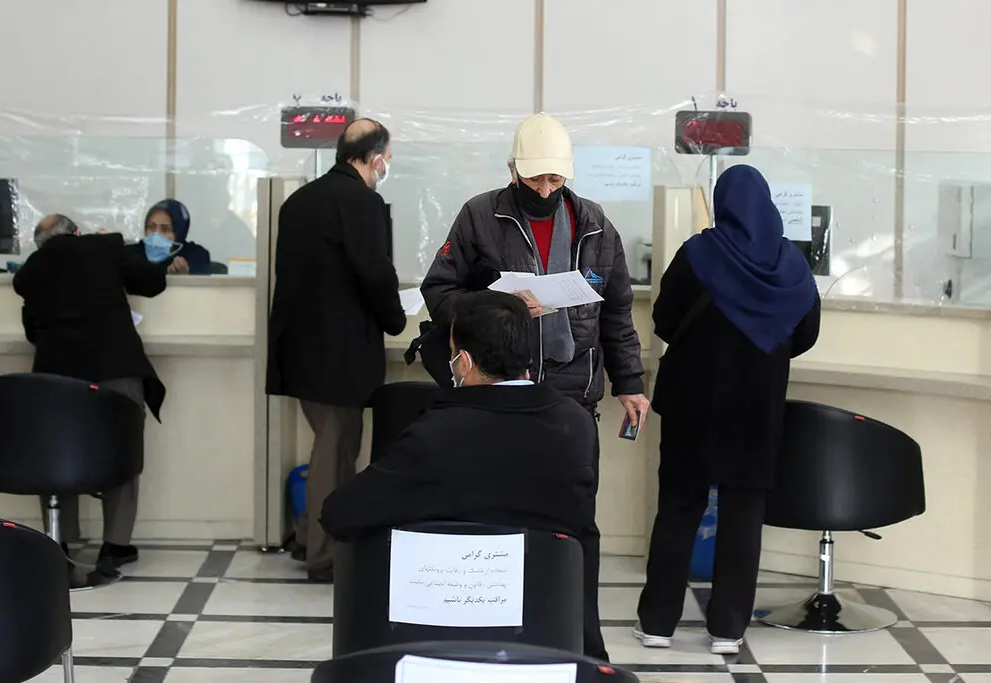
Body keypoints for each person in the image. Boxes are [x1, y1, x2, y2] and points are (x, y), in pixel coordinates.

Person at [420, 111, 647, 661]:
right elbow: (438, 290)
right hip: (498, 394)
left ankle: (583, 644)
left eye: (555, 179)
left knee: (574, 522)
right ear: (513, 170)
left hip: (570, 396)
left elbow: (616, 311)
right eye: (535, 179)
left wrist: (630, 382)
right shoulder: (480, 216)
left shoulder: (595, 225)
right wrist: (497, 304)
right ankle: (497, 641)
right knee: (499, 518)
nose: (545, 190)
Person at [634, 165, 821, 656]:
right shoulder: (792, 264)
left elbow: (664, 319)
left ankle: (657, 623)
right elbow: (806, 334)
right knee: (743, 515)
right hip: (757, 409)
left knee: (678, 509)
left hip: (692, 407)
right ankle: (727, 630)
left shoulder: (698, 254)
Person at [320, 289, 597, 560]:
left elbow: (340, 514)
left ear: (464, 362)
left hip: (459, 585)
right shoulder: (577, 422)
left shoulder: (437, 433)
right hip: (554, 587)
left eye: (452, 352)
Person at [266, 118, 406, 583]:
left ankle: (309, 535)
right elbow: (374, 273)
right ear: (376, 158)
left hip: (300, 349)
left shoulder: (299, 201)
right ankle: (324, 556)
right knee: (336, 449)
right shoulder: (362, 201)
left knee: (328, 445)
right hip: (341, 353)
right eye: (388, 158)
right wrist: (395, 317)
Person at [12, 214, 169, 571]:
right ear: (77, 232)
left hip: (56, 379)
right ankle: (115, 546)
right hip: (115, 368)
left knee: (56, 457)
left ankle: (60, 541)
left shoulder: (31, 271)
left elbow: (32, 331)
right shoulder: (105, 246)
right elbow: (151, 283)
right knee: (122, 451)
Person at [125, 199, 213, 275]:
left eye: (165, 229)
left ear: (179, 233)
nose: (156, 235)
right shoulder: (132, 254)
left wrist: (186, 273)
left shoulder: (195, 255)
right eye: (151, 227)